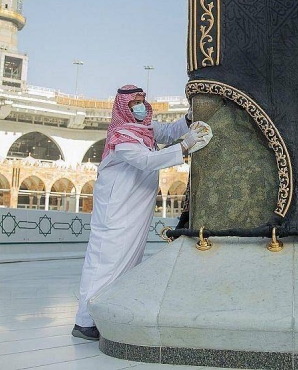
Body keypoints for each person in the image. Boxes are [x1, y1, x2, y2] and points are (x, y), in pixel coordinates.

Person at [72, 85, 209, 340]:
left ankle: (106, 314)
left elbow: (168, 131)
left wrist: (189, 119)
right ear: (123, 105)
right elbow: (145, 160)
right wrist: (184, 148)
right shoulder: (121, 136)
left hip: (134, 210)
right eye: (134, 101)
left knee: (127, 261)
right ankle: (85, 321)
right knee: (105, 262)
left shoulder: (143, 128)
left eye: (142, 100)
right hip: (116, 210)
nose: (140, 105)